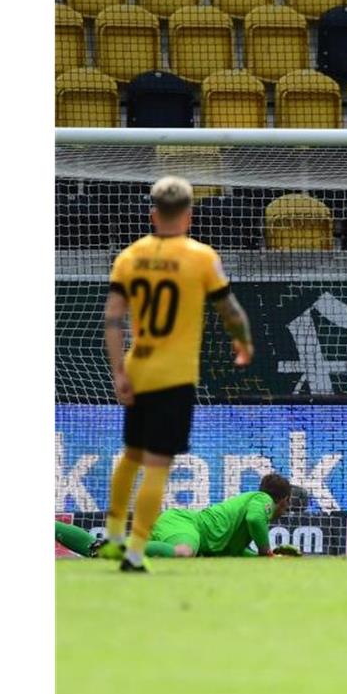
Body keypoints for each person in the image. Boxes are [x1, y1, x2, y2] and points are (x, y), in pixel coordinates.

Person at [100, 176, 254, 572]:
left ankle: (113, 533)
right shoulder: (202, 257)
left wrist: (118, 370)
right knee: (157, 463)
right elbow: (231, 310)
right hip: (175, 375)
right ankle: (134, 552)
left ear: (154, 214)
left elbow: (113, 318)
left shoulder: (129, 256)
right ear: (188, 216)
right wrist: (243, 341)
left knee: (131, 453)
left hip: (138, 365)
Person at [57, 475, 301, 559]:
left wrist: (265, 559)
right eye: (288, 504)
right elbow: (256, 520)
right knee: (184, 553)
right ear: (283, 500)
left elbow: (236, 554)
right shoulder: (262, 500)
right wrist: (267, 550)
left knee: (94, 551)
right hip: (185, 525)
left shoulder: (242, 527)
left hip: (172, 526)